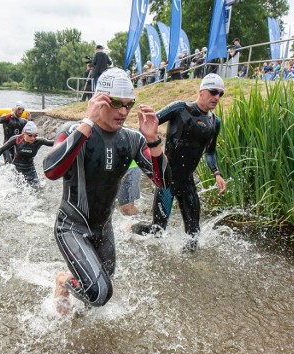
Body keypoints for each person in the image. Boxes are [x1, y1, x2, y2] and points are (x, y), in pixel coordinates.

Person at [42, 68, 171, 313]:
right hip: (71, 227)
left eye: (128, 105)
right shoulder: (72, 131)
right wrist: (86, 123)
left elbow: (163, 182)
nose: (123, 112)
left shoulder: (133, 139)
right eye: (115, 103)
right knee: (100, 293)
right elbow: (51, 171)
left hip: (103, 228)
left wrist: (153, 140)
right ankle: (62, 280)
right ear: (99, 100)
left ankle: (75, 324)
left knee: (98, 294)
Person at [131, 73, 228, 251]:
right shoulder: (180, 108)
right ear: (201, 91)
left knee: (194, 235)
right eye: (213, 92)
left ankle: (189, 273)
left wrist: (217, 173)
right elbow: (152, 123)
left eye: (220, 94)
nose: (217, 97)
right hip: (166, 180)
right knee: (156, 231)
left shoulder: (215, 122)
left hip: (187, 182)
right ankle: (131, 228)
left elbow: (210, 152)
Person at [0, 121, 54, 188]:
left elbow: (54, 143)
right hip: (16, 168)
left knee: (36, 190)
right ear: (24, 133)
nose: (33, 138)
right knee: (17, 190)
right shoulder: (17, 139)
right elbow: (2, 149)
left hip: (30, 169)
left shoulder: (39, 141)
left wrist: (64, 138)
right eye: (30, 135)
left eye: (35, 136)